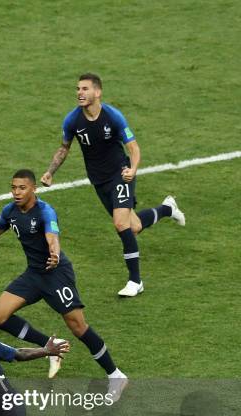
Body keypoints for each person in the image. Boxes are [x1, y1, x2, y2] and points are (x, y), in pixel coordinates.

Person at [0, 169, 127, 400]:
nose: (16, 192)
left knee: (78, 327)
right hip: (34, 275)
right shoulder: (10, 211)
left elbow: (52, 237)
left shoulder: (45, 211)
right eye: (14, 187)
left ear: (33, 189)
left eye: (22, 188)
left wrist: (55, 254)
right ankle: (50, 346)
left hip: (56, 274)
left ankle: (115, 375)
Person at [41, 72, 185, 297]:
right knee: (133, 226)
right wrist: (50, 172)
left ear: (97, 92)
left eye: (85, 89)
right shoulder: (72, 120)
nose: (80, 93)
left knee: (120, 224)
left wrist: (133, 170)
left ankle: (135, 281)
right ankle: (168, 208)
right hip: (98, 180)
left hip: (120, 174)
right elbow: (64, 148)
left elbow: (134, 148)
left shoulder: (113, 117)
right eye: (78, 89)